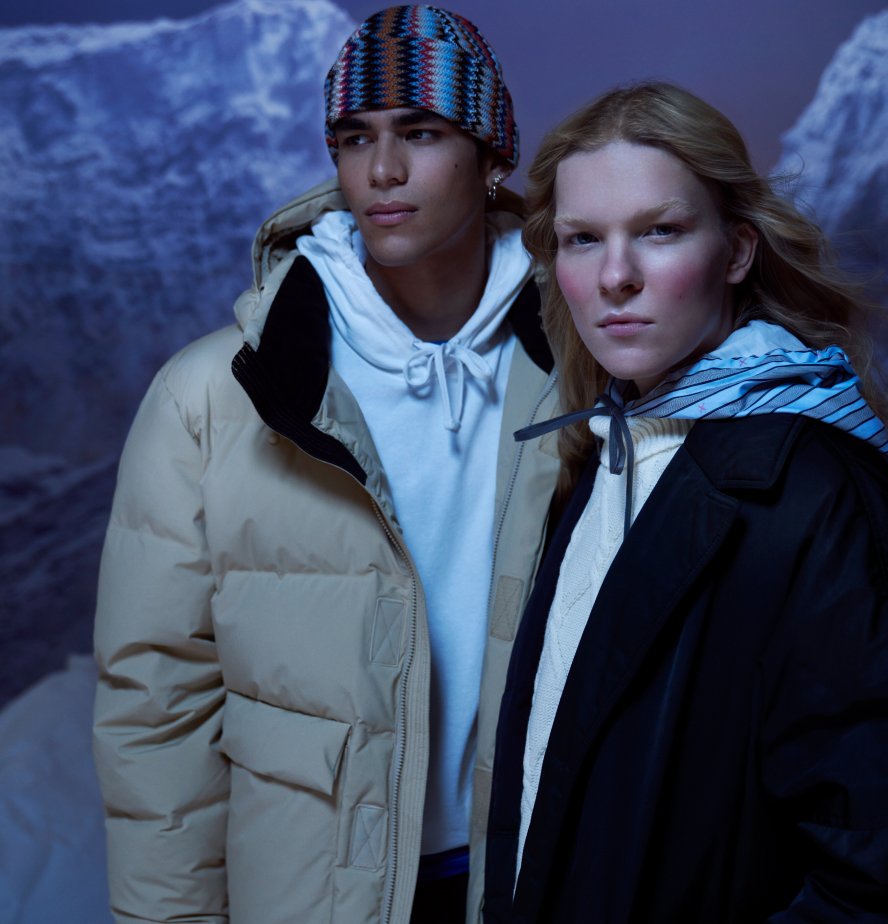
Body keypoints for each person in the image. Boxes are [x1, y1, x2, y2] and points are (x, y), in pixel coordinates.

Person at [92, 7, 559, 923]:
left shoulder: (583, 365)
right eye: (354, 138)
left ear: (492, 152)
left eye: (420, 133)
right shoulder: (211, 395)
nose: (381, 171)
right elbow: (156, 707)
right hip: (313, 893)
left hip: (541, 872)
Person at [484, 82, 888, 922]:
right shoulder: (605, 457)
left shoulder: (822, 497)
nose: (616, 277)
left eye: (659, 232)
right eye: (583, 239)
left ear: (737, 252)